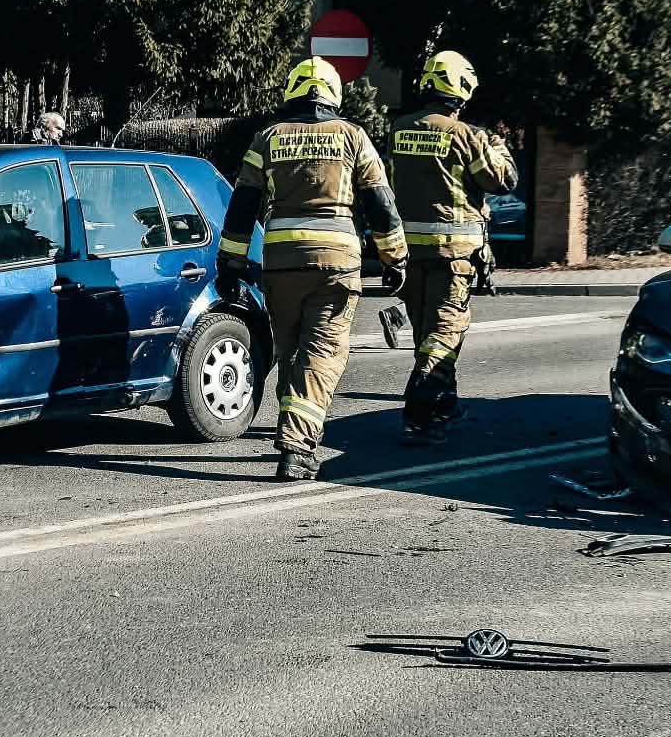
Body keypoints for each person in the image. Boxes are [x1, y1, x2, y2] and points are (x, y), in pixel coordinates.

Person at [218, 57, 407, 481]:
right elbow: (380, 204)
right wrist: (395, 258)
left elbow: (242, 204)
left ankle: (292, 431)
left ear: (292, 92)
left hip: (281, 265)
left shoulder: (267, 139)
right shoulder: (353, 136)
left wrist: (229, 262)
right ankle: (297, 448)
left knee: (291, 352)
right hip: (336, 265)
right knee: (321, 354)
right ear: (335, 95)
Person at [387, 50, 519, 445]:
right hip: (453, 255)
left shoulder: (400, 128)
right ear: (462, 90)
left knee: (425, 332)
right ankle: (420, 414)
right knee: (445, 334)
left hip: (410, 253)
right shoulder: (467, 136)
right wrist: (498, 146)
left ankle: (446, 404)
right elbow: (503, 180)